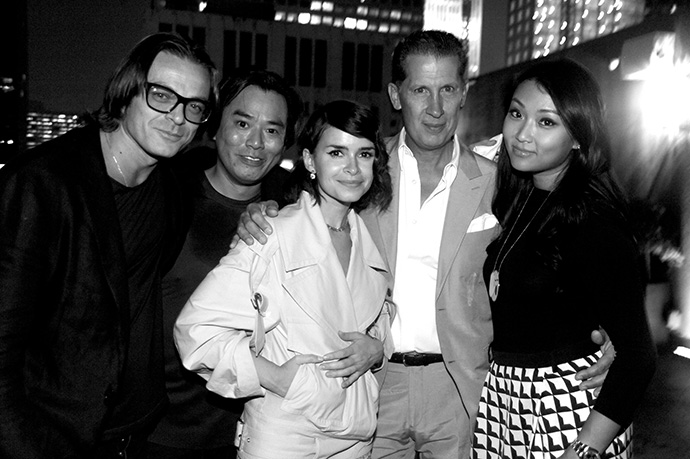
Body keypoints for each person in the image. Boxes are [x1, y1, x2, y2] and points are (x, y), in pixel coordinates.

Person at [234, 31, 613, 458]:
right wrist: (260, 206)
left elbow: (562, 244)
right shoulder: (360, 171)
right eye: (420, 90)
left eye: (447, 89)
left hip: (460, 387)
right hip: (371, 380)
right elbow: (301, 215)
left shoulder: (501, 181)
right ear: (396, 95)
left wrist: (608, 328)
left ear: (464, 93)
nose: (435, 108)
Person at [0, 33, 217, 458]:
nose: (178, 117)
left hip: (140, 431)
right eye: (162, 95)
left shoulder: (172, 189)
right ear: (126, 91)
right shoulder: (41, 184)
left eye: (194, 106)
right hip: (57, 437)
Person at [174, 100, 394, 458]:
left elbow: (377, 314)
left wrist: (376, 347)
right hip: (285, 433)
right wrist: (275, 377)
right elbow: (196, 331)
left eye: (364, 154)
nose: (353, 168)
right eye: (337, 152)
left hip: (355, 436)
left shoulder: (365, 239)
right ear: (310, 160)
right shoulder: (271, 233)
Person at [471, 59, 656, 459]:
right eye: (516, 114)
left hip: (568, 410)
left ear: (577, 136)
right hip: (506, 405)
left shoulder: (593, 221)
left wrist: (584, 449)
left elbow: (638, 356)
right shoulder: (521, 197)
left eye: (546, 122)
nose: (523, 134)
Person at [146, 69, 302, 458]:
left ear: (285, 142)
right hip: (160, 429)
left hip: (253, 430)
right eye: (243, 123)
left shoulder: (293, 216)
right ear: (215, 127)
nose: (256, 142)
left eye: (272, 130)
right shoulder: (167, 196)